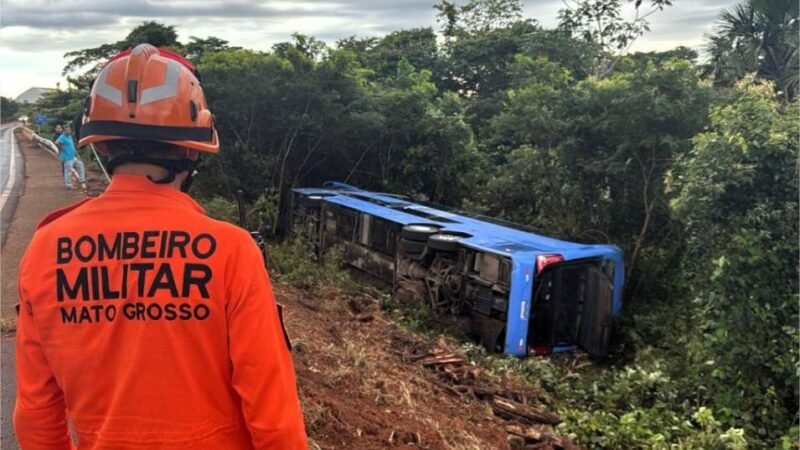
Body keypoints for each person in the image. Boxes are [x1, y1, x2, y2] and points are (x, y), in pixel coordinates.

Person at [14, 43, 307, 449]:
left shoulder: (47, 248)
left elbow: (37, 413)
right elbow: (273, 418)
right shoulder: (230, 251)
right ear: (193, 149)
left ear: (100, 145)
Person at [54, 124, 87, 190]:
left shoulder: (69, 136)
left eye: (69, 130)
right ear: (64, 131)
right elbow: (56, 142)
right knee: (68, 171)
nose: (68, 131)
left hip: (72, 156)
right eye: (67, 130)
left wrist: (76, 154)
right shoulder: (62, 137)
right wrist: (62, 148)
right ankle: (68, 185)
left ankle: (82, 180)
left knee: (80, 165)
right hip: (67, 157)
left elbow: (72, 146)